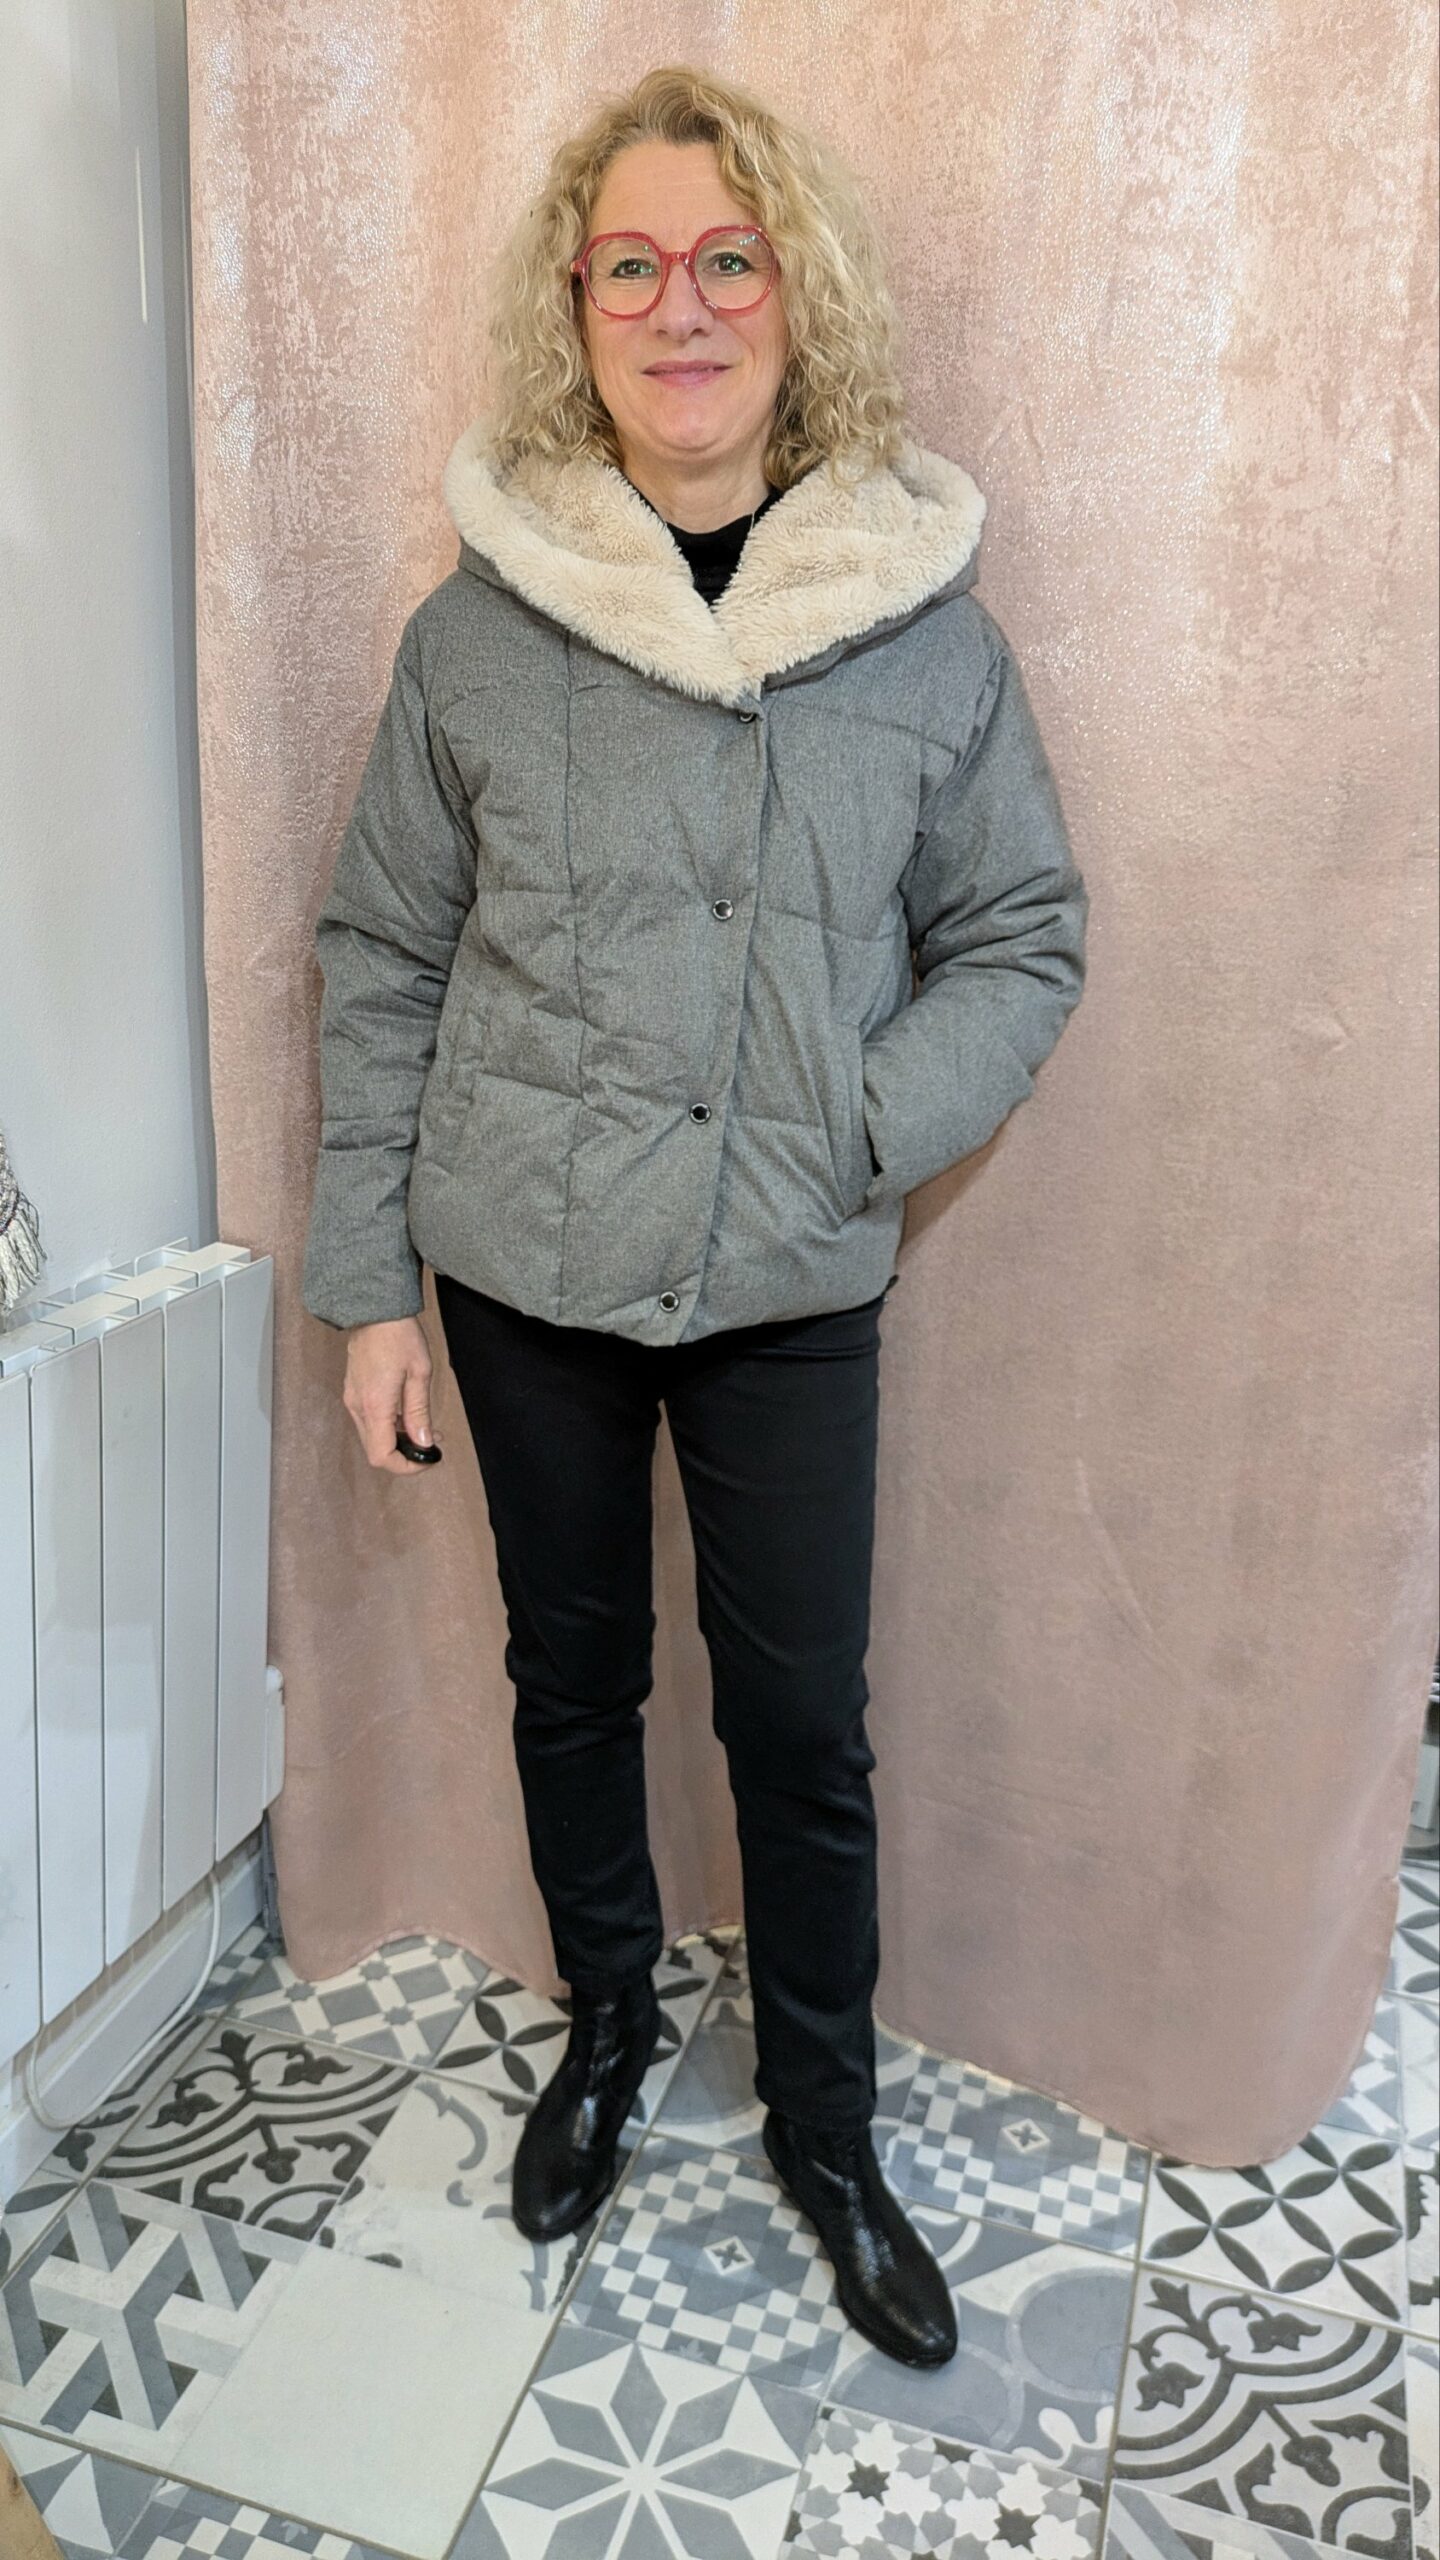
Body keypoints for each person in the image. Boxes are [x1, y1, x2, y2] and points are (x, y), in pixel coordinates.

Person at [301, 63, 1089, 2370]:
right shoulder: (477, 631)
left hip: (785, 1273)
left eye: (727, 257)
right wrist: (367, 1290)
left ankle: (828, 2126)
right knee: (572, 1681)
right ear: (578, 305)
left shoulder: (922, 629)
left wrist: (853, 1124)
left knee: (801, 1724)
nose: (681, 305)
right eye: (631, 262)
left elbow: (1023, 932)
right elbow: (382, 951)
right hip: (521, 1262)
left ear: (794, 292)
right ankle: (611, 2023)